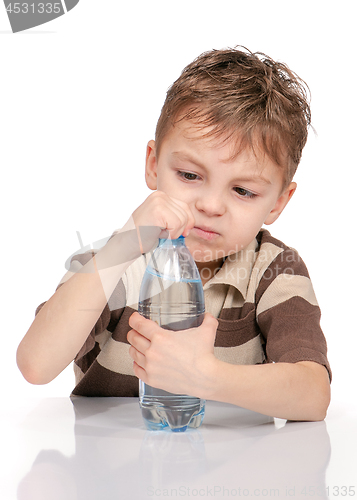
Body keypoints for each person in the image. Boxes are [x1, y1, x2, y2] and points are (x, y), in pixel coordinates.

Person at [17, 47, 331, 421]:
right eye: (189, 175)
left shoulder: (275, 269)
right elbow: (36, 365)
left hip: (234, 471)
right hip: (109, 472)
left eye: (243, 191)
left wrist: (208, 378)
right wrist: (124, 243)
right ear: (153, 165)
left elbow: (313, 395)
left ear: (279, 202)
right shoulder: (115, 260)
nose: (211, 205)